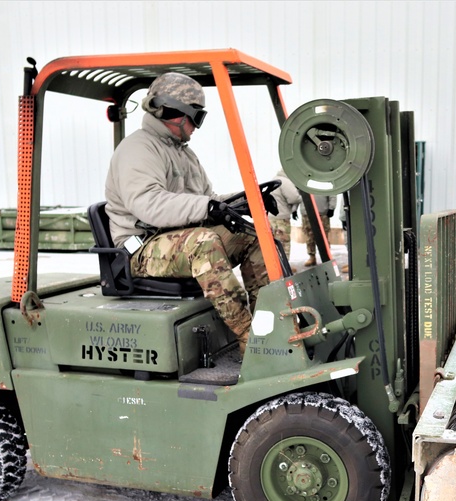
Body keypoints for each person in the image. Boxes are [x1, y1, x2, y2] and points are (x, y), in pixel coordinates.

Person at [104, 72, 275, 353]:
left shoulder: (182, 152)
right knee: (203, 244)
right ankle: (249, 340)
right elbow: (149, 204)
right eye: (197, 117)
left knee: (253, 235)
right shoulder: (138, 149)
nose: (197, 127)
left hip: (174, 240)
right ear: (174, 113)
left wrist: (247, 201)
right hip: (141, 248)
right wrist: (206, 207)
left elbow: (206, 199)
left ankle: (268, 327)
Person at [268, 168, 302, 259]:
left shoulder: (274, 179)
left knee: (273, 243)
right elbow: (294, 198)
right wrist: (300, 197)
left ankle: (276, 268)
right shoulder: (285, 182)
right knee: (283, 243)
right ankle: (284, 270)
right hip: (281, 218)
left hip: (270, 217)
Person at [300, 193, 338, 267]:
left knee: (323, 237)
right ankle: (312, 257)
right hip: (307, 212)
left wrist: (331, 208)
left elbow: (332, 194)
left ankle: (326, 258)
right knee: (309, 237)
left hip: (322, 213)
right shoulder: (304, 181)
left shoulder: (324, 181)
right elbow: (297, 194)